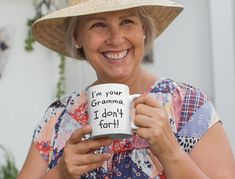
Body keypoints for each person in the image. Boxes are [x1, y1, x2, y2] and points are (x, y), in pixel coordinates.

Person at [17, 0, 235, 178]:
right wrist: (60, 174)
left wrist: (171, 153)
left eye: (127, 21)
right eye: (98, 24)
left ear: (143, 29)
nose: (116, 38)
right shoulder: (58, 118)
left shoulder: (187, 105)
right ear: (77, 37)